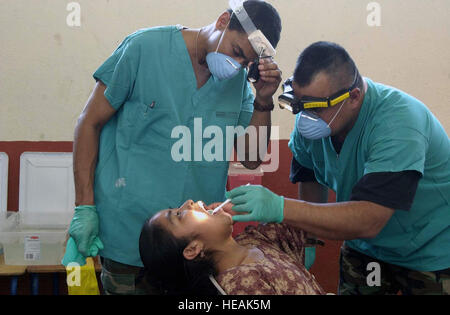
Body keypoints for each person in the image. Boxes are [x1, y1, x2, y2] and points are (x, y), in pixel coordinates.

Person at [68, 0, 283, 295]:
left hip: (198, 255)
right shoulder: (144, 48)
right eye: (236, 52)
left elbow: (251, 157)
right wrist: (85, 207)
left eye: (247, 63)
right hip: (128, 240)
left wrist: (263, 100)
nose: (237, 66)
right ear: (222, 21)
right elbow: (89, 123)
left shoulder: (238, 85)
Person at [225, 42, 450, 295]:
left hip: (430, 253)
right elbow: (310, 174)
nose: (306, 119)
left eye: (316, 108)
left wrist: (280, 207)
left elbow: (369, 219)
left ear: (353, 97)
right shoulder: (310, 122)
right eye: (299, 106)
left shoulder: (399, 124)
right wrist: (308, 239)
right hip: (365, 250)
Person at [139, 200, 325, 295]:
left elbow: (307, 224)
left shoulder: (253, 240)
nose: (188, 202)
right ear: (192, 249)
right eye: (179, 215)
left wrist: (256, 208)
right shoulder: (241, 285)